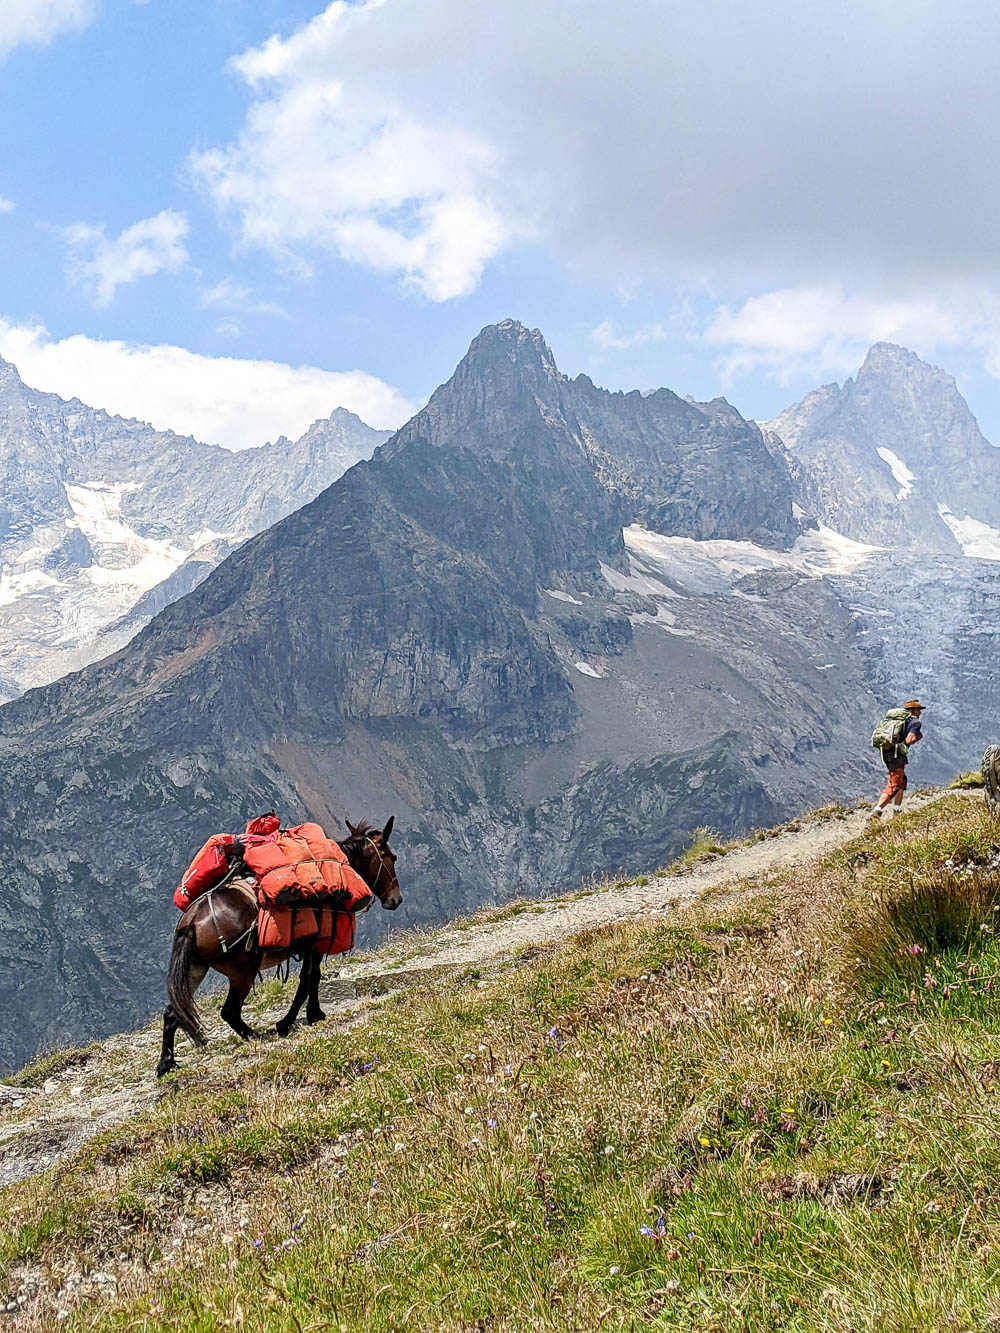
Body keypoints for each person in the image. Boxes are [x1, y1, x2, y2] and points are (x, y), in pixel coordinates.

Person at [870, 700, 925, 818]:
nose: (920, 712)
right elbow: (910, 739)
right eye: (918, 710)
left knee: (902, 781)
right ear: (913, 710)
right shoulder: (915, 722)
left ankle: (897, 811)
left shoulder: (898, 721)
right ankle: (877, 812)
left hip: (886, 753)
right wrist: (912, 740)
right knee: (894, 785)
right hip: (897, 755)